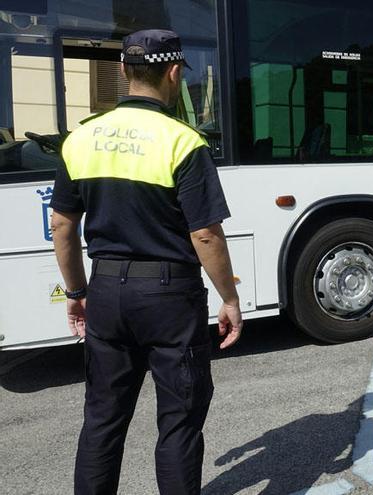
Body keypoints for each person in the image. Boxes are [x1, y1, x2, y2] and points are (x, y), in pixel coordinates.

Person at [50, 29, 243, 494]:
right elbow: (204, 233)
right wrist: (230, 298)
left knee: (102, 419)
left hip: (108, 291)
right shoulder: (183, 142)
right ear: (174, 72)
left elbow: (62, 226)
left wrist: (78, 294)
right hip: (169, 296)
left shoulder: (81, 138)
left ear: (123, 71)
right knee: (178, 421)